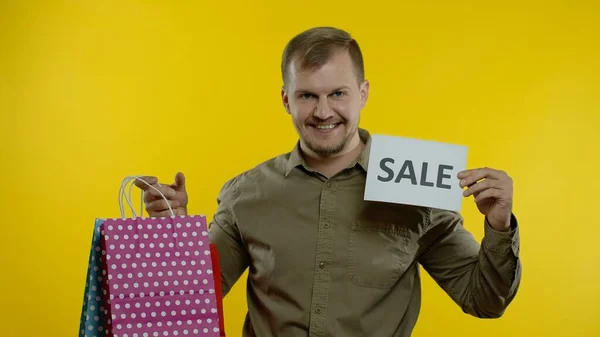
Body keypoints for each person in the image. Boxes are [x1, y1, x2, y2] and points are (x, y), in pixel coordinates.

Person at [135, 26, 521, 337]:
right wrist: (172, 230)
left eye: (337, 93)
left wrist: (498, 224)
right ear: (287, 100)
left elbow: (484, 301)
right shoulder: (246, 194)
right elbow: (187, 308)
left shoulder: (416, 187)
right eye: (307, 95)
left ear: (363, 93)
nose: (323, 112)